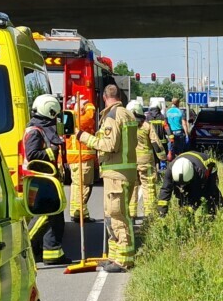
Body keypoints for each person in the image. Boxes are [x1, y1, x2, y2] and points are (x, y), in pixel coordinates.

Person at [78, 84, 138, 272]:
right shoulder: (128, 114)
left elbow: (110, 145)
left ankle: (124, 260)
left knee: (118, 215)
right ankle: (114, 256)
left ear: (104, 97)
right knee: (111, 215)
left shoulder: (112, 116)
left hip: (116, 174)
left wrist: (84, 137)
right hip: (123, 172)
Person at [23, 94, 69, 265]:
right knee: (45, 215)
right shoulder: (35, 131)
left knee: (55, 217)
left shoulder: (41, 128)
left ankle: (52, 253)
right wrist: (52, 152)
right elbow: (32, 154)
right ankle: (23, 245)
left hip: (47, 179)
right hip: (40, 180)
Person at [157, 151, 223, 217]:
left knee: (209, 191)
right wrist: (162, 212)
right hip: (190, 161)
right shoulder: (170, 170)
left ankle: (216, 210)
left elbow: (197, 194)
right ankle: (186, 215)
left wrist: (191, 208)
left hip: (209, 166)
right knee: (181, 195)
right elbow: (165, 189)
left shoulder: (200, 172)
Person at [129, 100, 165, 217]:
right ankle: (149, 213)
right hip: (146, 161)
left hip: (130, 161)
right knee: (148, 186)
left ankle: (131, 213)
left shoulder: (126, 127)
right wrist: (163, 157)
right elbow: (156, 143)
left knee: (132, 186)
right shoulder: (147, 126)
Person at [65, 92, 97, 222]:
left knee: (76, 186)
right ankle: (80, 214)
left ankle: (75, 212)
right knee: (84, 186)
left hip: (74, 159)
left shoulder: (69, 117)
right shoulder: (80, 120)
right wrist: (87, 105)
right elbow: (90, 116)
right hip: (82, 158)